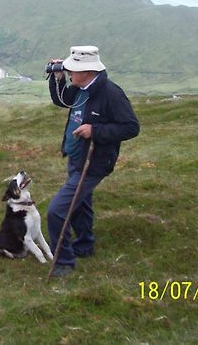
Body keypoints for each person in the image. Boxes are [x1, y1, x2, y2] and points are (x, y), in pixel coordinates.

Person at [47, 45, 139, 277]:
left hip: (94, 163)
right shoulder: (79, 88)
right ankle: (84, 246)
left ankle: (64, 262)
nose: (69, 73)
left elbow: (131, 127)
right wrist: (57, 79)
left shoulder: (110, 93)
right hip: (76, 156)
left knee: (57, 210)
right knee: (81, 203)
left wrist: (95, 131)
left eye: (72, 70)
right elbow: (62, 100)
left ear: (87, 72)